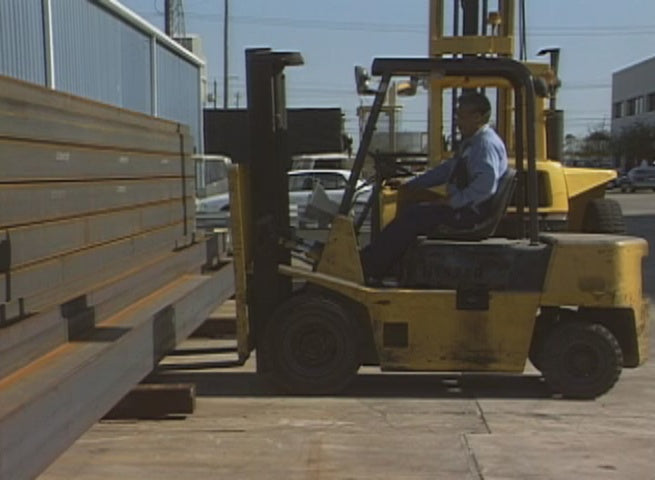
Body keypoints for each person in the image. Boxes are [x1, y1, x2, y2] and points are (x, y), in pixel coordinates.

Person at [360, 92, 508, 281]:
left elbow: (485, 187)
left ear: (478, 117)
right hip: (467, 209)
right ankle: (383, 264)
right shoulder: (473, 143)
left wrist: (453, 202)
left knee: (413, 216)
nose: (457, 121)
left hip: (471, 214)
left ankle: (369, 266)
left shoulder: (484, 145)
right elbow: (447, 170)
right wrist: (411, 183)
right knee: (412, 208)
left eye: (461, 116)